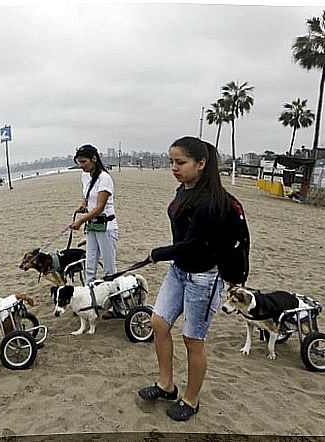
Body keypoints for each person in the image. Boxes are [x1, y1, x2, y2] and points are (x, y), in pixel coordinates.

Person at [137, 136, 230, 421]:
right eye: (171, 162)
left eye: (180, 162)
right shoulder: (184, 189)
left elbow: (192, 244)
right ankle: (166, 385)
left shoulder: (211, 203)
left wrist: (157, 253)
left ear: (201, 164)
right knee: (159, 323)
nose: (174, 168)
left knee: (193, 340)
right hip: (179, 271)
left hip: (203, 278)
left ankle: (191, 400)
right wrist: (168, 257)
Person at [70, 144, 119, 285]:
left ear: (94, 159)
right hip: (93, 225)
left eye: (84, 162)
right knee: (90, 264)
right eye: (79, 162)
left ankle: (114, 296)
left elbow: (99, 207)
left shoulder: (104, 178)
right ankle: (89, 292)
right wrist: (83, 205)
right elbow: (87, 197)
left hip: (106, 226)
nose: (81, 165)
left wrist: (80, 221)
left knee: (109, 267)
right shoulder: (85, 177)